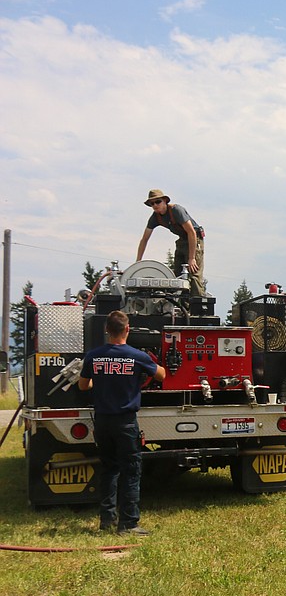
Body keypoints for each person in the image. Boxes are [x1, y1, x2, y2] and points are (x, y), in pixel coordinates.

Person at [78, 310, 166, 535]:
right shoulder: (137, 356)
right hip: (125, 422)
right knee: (131, 471)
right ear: (128, 329)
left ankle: (107, 520)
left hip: (103, 421)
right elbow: (162, 376)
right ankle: (128, 524)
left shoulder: (93, 356)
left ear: (107, 330)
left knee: (109, 469)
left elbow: (83, 386)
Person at [136, 189, 206, 296]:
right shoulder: (155, 217)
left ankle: (199, 308)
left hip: (194, 239)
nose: (155, 205)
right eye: (152, 203)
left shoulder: (176, 210)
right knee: (177, 277)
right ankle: (183, 308)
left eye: (158, 202)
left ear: (164, 201)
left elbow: (191, 232)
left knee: (193, 273)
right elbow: (145, 239)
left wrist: (191, 258)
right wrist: (138, 263)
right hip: (182, 240)